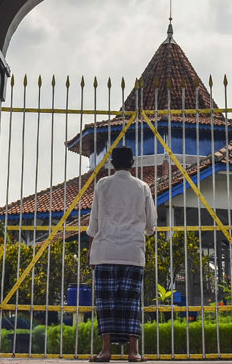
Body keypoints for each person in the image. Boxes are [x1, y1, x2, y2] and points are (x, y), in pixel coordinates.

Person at [87, 145, 157, 362]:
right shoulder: (143, 187)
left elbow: (94, 223)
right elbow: (151, 225)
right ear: (133, 164)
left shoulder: (102, 184)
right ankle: (133, 352)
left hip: (105, 252)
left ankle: (106, 350)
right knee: (131, 304)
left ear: (112, 164)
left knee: (105, 304)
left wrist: (91, 252)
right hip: (132, 253)